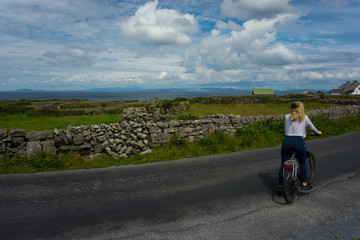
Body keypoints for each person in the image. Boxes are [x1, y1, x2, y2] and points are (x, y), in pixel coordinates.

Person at [277, 101, 322, 195]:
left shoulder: (286, 117)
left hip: (287, 141)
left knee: (283, 164)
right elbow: (311, 127)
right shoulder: (304, 117)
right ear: (302, 108)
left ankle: (280, 186)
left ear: (291, 108)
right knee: (302, 163)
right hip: (298, 141)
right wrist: (317, 132)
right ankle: (304, 184)